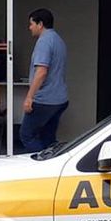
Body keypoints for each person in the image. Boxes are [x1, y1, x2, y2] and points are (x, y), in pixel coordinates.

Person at [20, 8, 68, 153]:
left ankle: (43, 167)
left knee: (27, 135)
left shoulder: (44, 42)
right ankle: (53, 162)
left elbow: (41, 72)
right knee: (48, 138)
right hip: (60, 99)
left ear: (40, 24)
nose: (30, 28)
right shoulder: (58, 40)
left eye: (31, 24)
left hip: (44, 100)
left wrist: (29, 97)